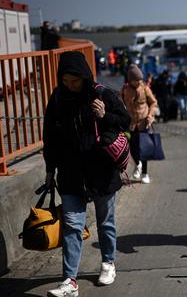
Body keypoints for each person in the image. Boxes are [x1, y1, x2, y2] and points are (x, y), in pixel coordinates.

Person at [43, 51, 131, 297]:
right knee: (72, 225)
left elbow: (125, 120)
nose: (70, 86)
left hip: (101, 171)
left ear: (84, 77)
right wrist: (50, 168)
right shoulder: (58, 98)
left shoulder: (101, 94)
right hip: (70, 172)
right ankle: (70, 281)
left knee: (105, 221)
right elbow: (49, 136)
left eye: (75, 81)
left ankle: (108, 263)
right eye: (66, 81)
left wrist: (104, 116)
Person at [121, 64, 158, 184]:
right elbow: (121, 104)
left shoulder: (145, 89)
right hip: (131, 124)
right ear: (130, 80)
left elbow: (153, 102)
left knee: (144, 149)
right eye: (136, 80)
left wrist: (150, 116)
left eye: (140, 79)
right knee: (132, 148)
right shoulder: (125, 90)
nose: (138, 82)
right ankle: (138, 164)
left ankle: (145, 173)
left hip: (144, 123)